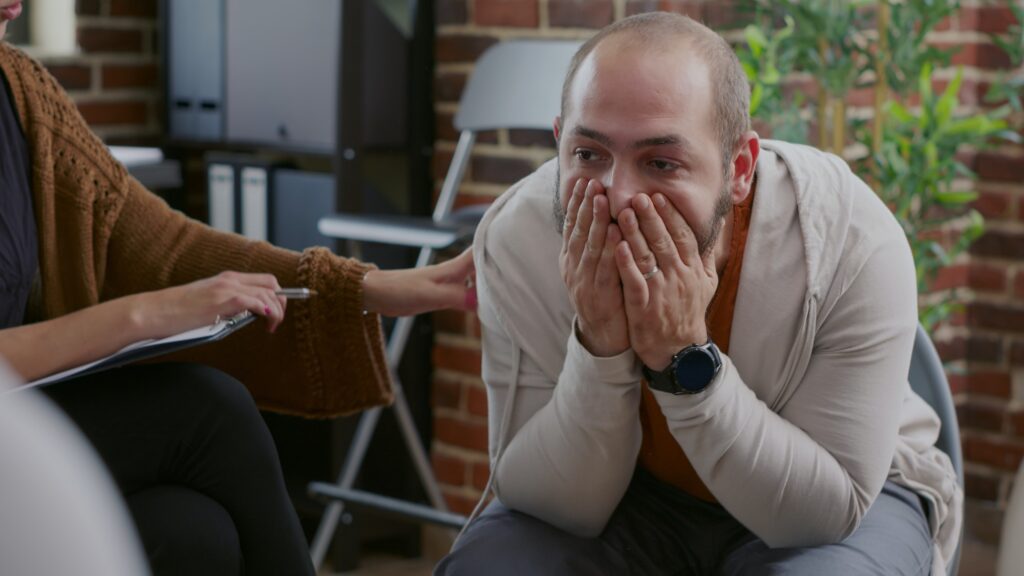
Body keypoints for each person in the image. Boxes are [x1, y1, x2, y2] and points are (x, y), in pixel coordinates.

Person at [436, 12, 960, 576]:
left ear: (739, 168)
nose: (618, 196)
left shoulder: (852, 240)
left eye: (661, 163)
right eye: (590, 154)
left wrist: (685, 359)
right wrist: (600, 351)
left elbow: (824, 514)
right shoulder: (521, 237)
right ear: (560, 142)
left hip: (853, 495)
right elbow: (556, 505)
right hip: (636, 492)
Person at [0, 3, 474, 575]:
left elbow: (160, 244)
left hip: (21, 425)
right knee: (204, 409)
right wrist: (144, 316)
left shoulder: (18, 89)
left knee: (193, 535)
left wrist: (369, 287)